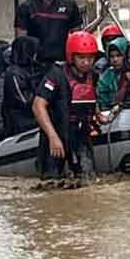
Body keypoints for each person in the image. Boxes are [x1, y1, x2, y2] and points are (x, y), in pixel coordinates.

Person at [33, 30, 101, 179]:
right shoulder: (56, 75)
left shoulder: (93, 75)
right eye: (81, 58)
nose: (86, 62)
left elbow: (88, 96)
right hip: (57, 131)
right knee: (52, 181)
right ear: (71, 56)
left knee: (88, 178)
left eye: (90, 58)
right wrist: (52, 137)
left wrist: (97, 113)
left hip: (81, 133)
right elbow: (38, 105)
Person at [15, 0, 83, 64]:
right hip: (36, 66)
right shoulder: (26, 7)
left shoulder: (70, 6)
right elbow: (21, 42)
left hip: (62, 65)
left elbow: (78, 37)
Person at [0, 35, 43, 138]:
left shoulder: (32, 70)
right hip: (21, 122)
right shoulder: (13, 74)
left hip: (33, 119)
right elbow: (23, 99)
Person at [97, 36, 130, 109]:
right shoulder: (106, 77)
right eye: (112, 56)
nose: (115, 60)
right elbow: (108, 102)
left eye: (119, 55)